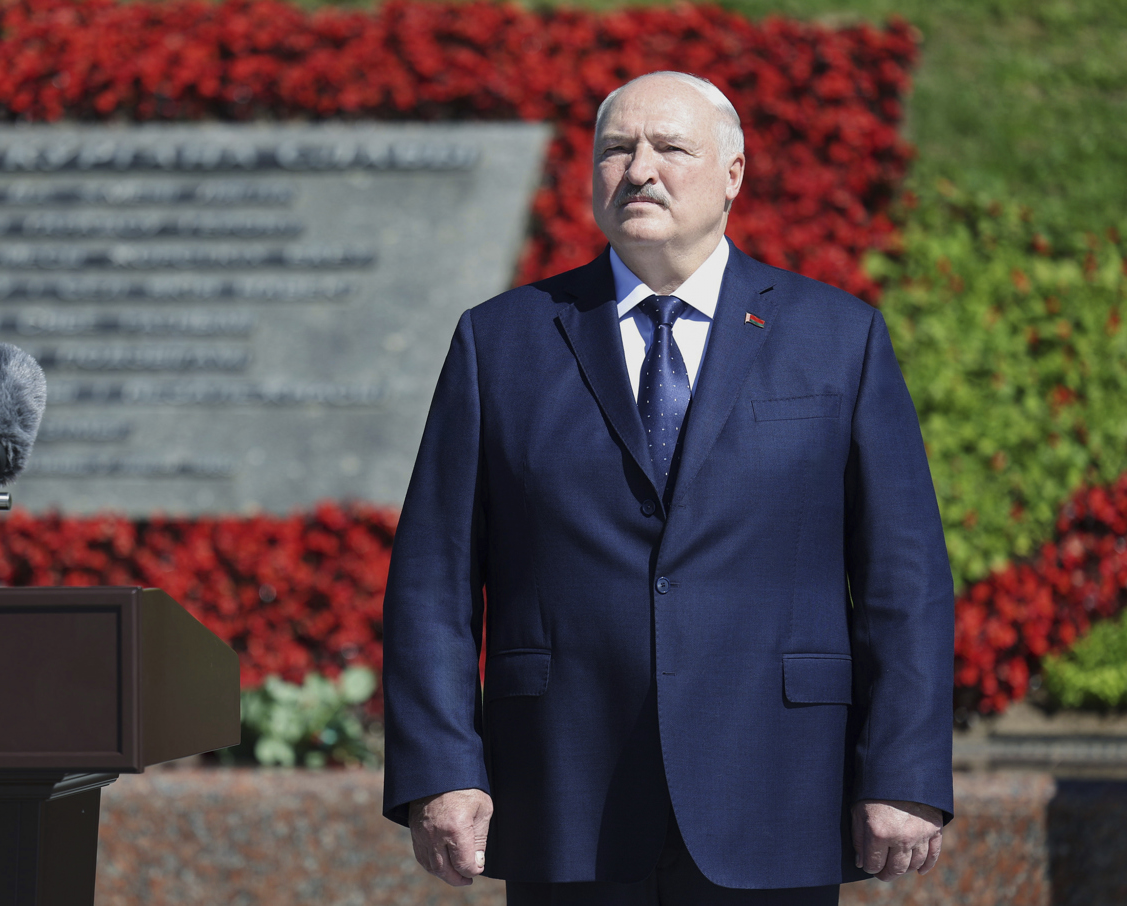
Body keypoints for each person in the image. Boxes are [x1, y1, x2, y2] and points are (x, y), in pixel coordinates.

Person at [381, 71, 954, 905]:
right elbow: (432, 581)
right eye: (617, 149)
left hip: (778, 791)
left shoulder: (839, 339)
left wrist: (903, 769)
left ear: (733, 174)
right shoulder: (499, 342)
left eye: (670, 148)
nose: (640, 169)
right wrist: (442, 769)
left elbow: (903, 576)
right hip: (569, 792)